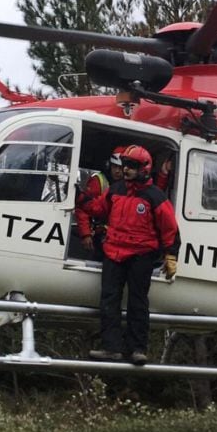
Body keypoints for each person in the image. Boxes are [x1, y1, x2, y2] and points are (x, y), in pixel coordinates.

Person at [81, 145, 179, 365]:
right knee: (109, 299)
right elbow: (98, 208)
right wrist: (81, 199)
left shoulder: (155, 196)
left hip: (141, 255)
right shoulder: (116, 190)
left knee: (138, 302)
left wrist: (171, 255)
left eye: (132, 166)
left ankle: (138, 349)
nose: (126, 170)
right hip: (114, 252)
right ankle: (111, 347)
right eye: (125, 165)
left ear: (144, 168)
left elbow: (170, 228)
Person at [74, 146, 125, 257]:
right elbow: (83, 207)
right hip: (99, 235)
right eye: (114, 166)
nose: (117, 171)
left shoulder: (129, 186)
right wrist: (86, 234)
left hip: (119, 236)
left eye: (120, 168)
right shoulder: (99, 181)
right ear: (109, 165)